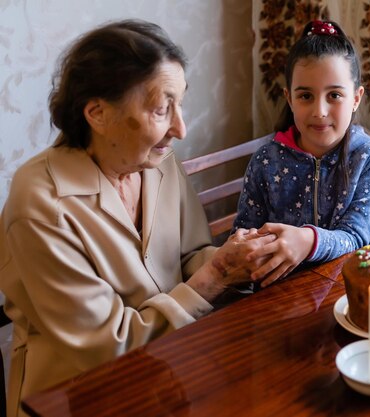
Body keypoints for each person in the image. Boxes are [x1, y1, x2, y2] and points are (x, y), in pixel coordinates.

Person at [0, 19, 275, 417]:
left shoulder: (157, 162)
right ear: (96, 112)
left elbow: (191, 253)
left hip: (172, 365)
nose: (180, 128)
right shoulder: (41, 203)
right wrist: (214, 277)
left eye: (180, 105)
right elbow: (105, 347)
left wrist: (240, 262)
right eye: (163, 109)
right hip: (77, 392)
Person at [233, 20, 370, 286]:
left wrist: (307, 241)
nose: (320, 111)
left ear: (356, 98)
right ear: (289, 98)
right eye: (306, 96)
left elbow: (356, 237)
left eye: (334, 95)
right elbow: (244, 235)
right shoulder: (265, 161)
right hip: (279, 296)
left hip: (351, 291)